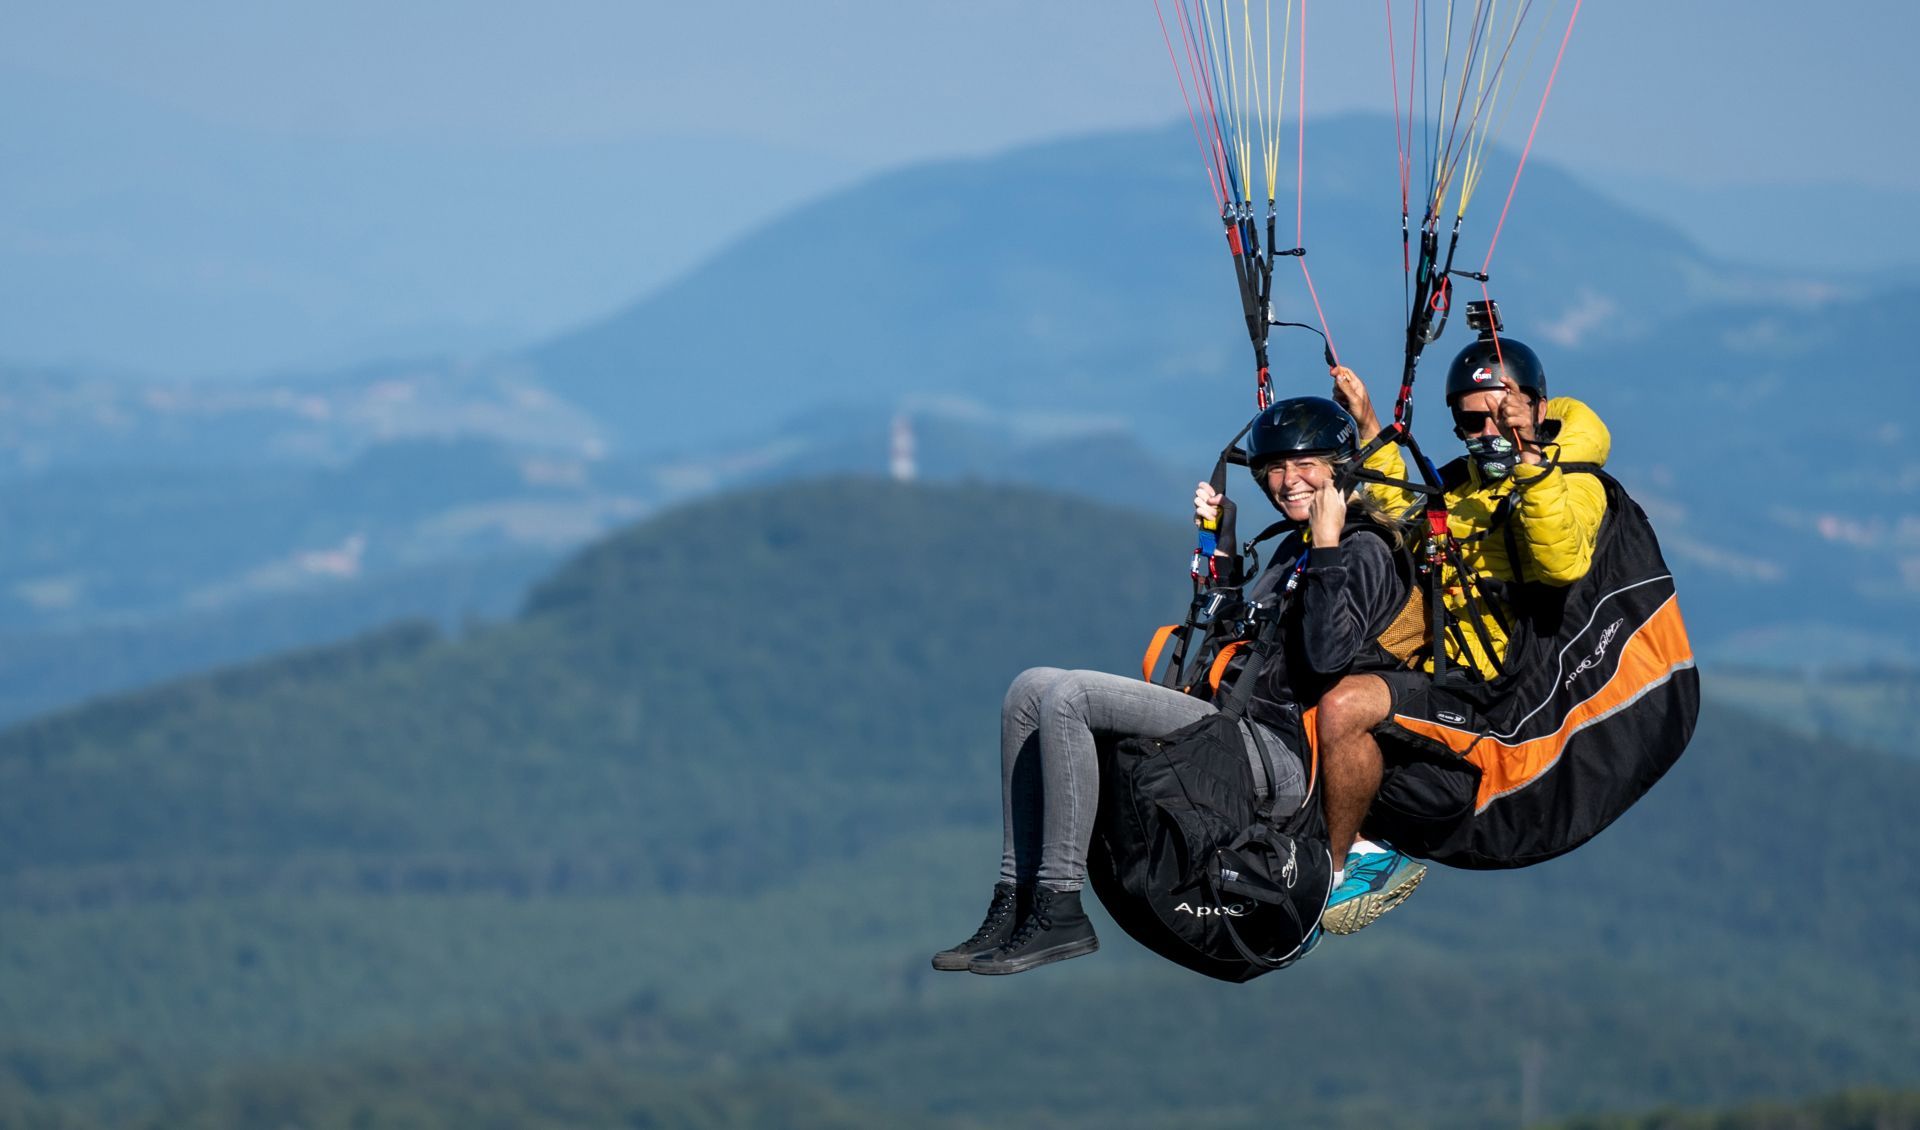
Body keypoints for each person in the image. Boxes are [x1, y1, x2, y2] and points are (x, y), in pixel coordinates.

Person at [932, 395, 1426, 976]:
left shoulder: (1364, 549)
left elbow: (1325, 662)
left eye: (1306, 465)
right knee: (1029, 691)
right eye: (1273, 468)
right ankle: (1016, 900)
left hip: (1281, 758)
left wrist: (1326, 548)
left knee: (1071, 698)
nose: (1286, 481)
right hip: (1229, 725)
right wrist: (1220, 544)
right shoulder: (1294, 545)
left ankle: (1060, 906)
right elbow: (1232, 639)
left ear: (1342, 468)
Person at [1314, 333, 1611, 900]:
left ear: (1536, 409)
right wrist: (1372, 426)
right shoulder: (1466, 486)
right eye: (1474, 423)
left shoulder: (1573, 480)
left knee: (1343, 707)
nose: (1489, 434)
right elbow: (1408, 514)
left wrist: (1530, 456)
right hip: (1440, 660)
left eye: (1502, 416)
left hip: (1495, 686)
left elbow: (1560, 560)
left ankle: (1334, 872)